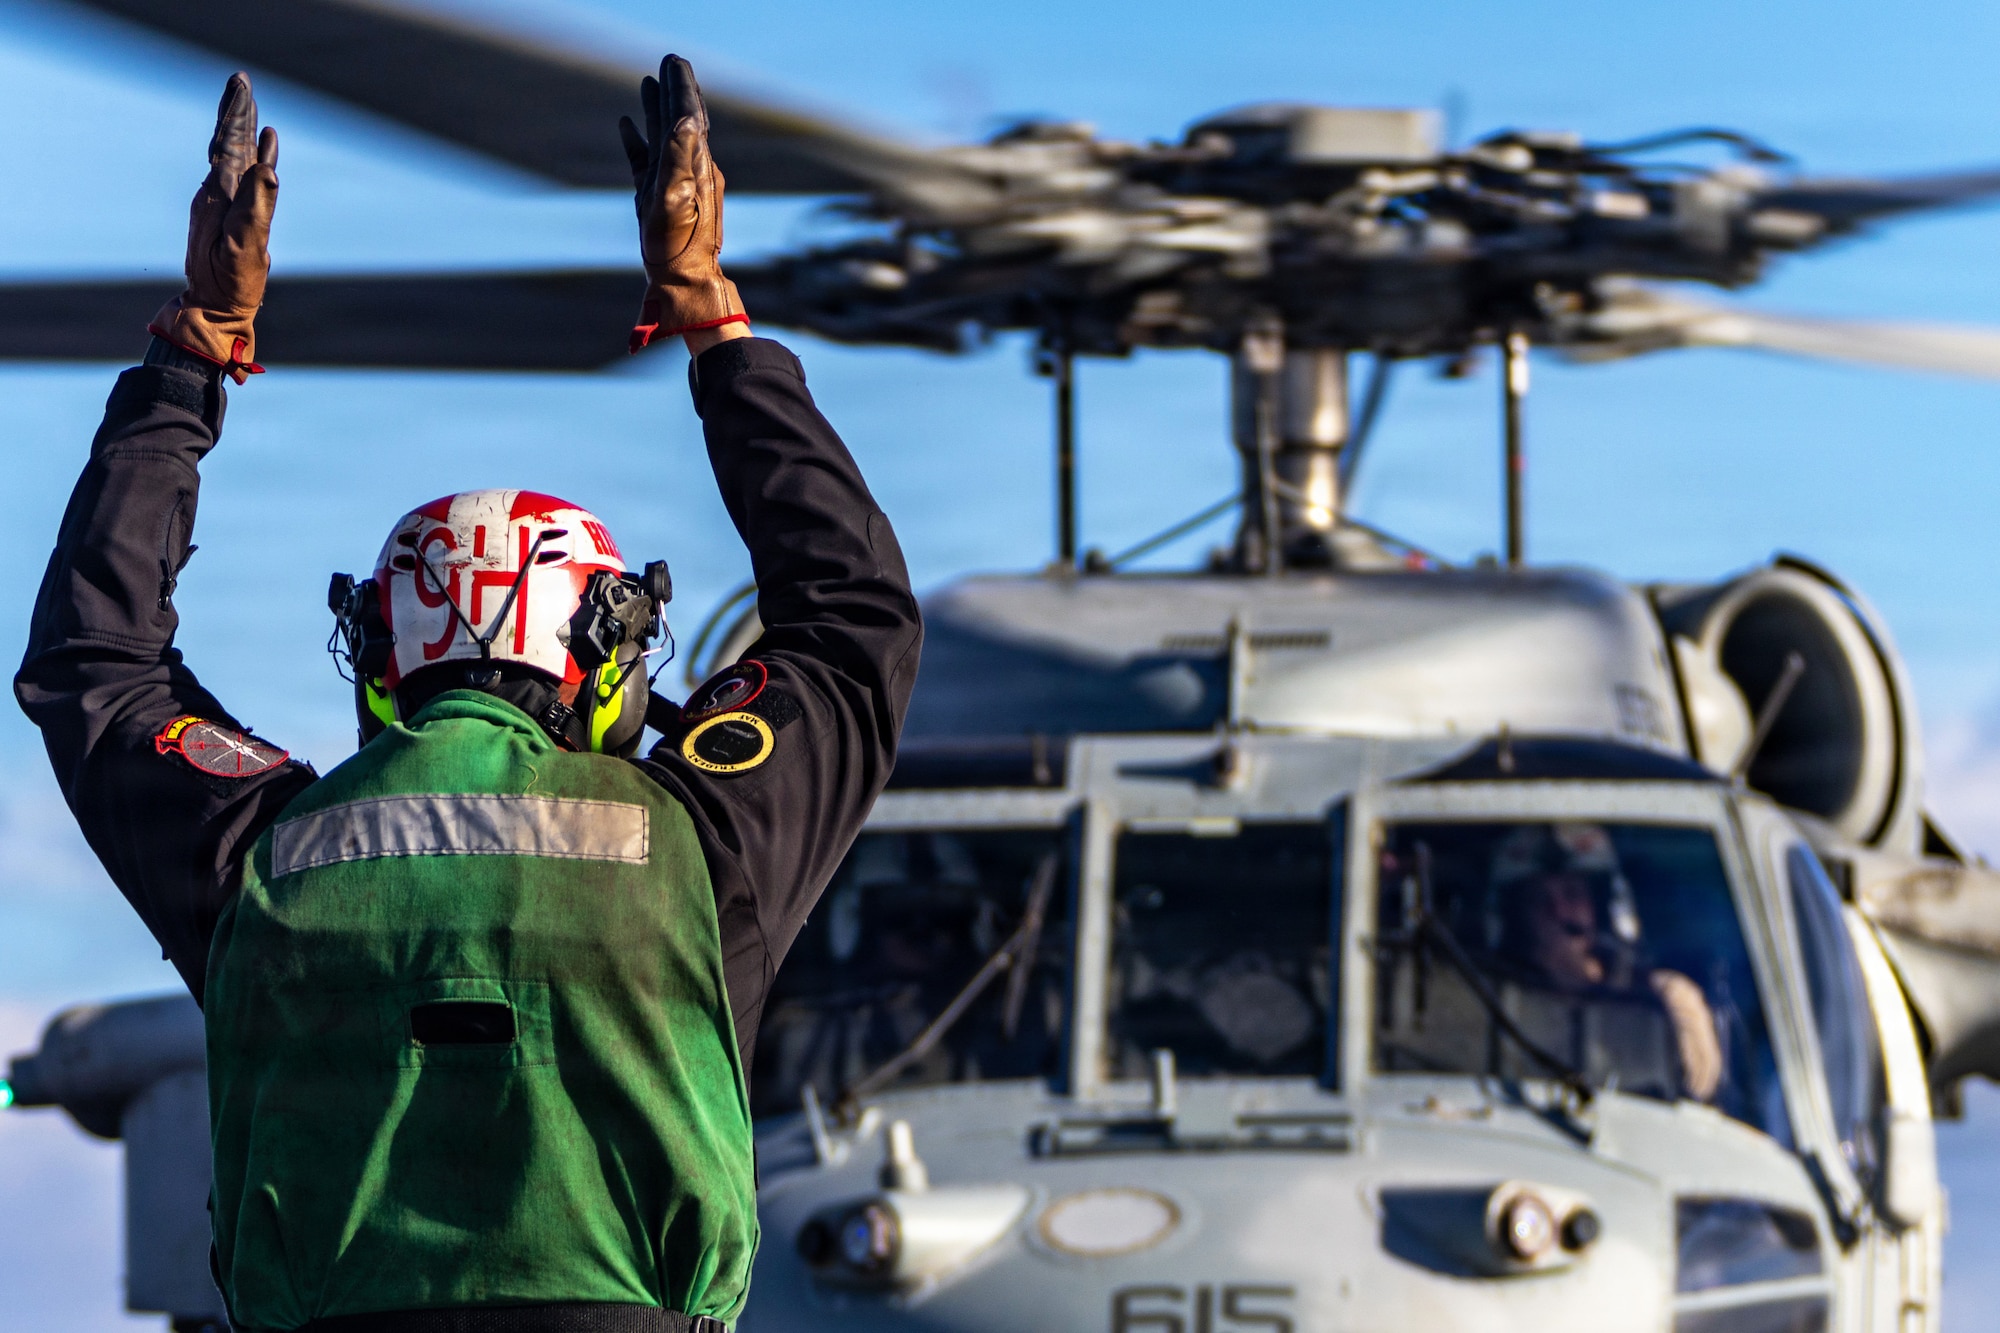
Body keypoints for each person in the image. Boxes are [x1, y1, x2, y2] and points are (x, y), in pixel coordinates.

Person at [14, 55, 920, 1333]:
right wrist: (715, 326)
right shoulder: (695, 846)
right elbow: (851, 619)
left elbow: (98, 664)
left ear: (382, 661)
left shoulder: (261, 853)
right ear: (602, 660)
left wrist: (192, 357)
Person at [1492, 823, 1723, 1101]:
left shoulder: (1664, 995)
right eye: (1538, 899)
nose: (1560, 912)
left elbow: (1699, 1090)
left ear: (1601, 906)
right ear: (1517, 918)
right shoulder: (1486, 994)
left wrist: (1669, 1003)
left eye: (1573, 894)